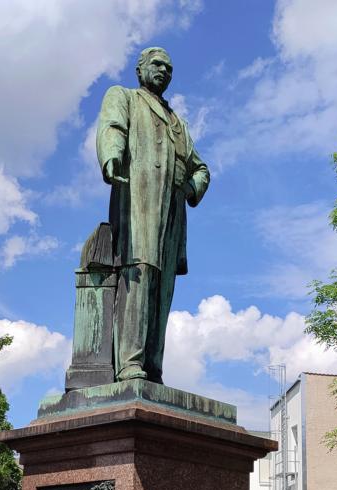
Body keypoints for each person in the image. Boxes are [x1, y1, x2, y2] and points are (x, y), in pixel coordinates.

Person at [97, 46, 210, 384]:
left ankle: (153, 367)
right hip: (140, 202)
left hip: (173, 213)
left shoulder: (179, 123)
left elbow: (201, 167)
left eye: (169, 67)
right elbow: (112, 128)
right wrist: (112, 155)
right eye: (157, 64)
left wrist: (191, 188)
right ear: (140, 69)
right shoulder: (125, 97)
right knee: (139, 273)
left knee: (163, 288)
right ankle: (130, 363)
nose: (164, 70)